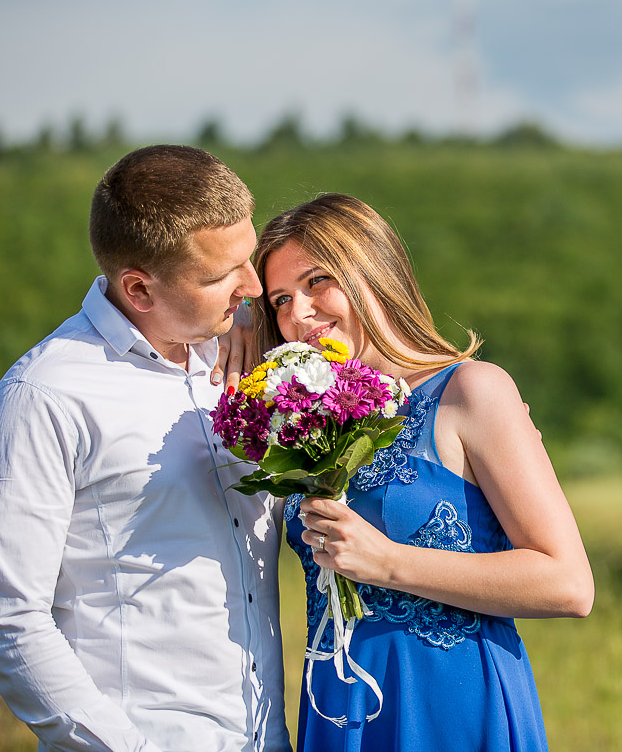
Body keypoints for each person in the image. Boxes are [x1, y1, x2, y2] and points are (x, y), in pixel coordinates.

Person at [0, 145, 291, 752]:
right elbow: (8, 620)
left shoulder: (239, 358)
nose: (252, 287)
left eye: (248, 260)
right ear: (139, 288)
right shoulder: (45, 397)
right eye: (222, 275)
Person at [253, 193, 594, 751]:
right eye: (280, 300)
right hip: (337, 708)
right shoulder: (302, 421)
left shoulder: (471, 390)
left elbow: (569, 584)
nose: (297, 315)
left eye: (318, 281)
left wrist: (389, 562)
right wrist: (244, 326)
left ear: (373, 271)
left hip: (449, 704)